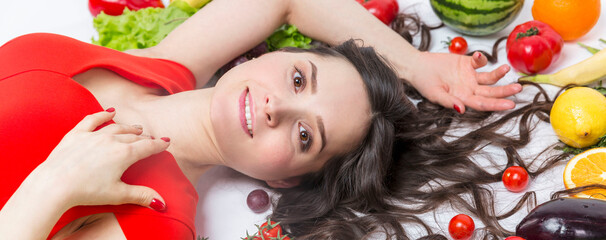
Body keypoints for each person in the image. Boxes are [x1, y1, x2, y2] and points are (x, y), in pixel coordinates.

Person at [0, 0, 529, 239]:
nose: (278, 105)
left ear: (282, 179)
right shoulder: (162, 66)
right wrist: (413, 65)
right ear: (262, 57)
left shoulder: (156, 220)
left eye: (305, 135)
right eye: (299, 79)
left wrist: (53, 186)